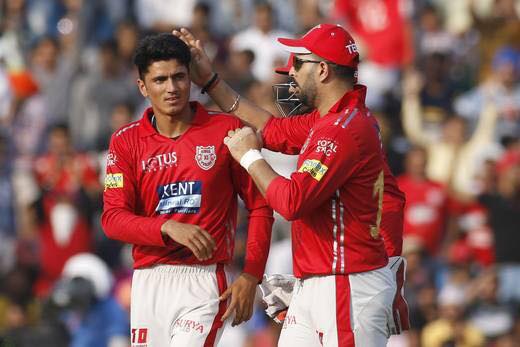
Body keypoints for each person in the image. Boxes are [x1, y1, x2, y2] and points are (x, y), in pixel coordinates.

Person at [175, 24, 407, 346]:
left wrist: (249, 158)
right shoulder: (335, 119)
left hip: (346, 285)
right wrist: (211, 82)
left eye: (299, 63)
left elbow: (292, 202)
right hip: (323, 282)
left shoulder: (340, 131)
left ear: (323, 70)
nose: (291, 71)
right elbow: (272, 128)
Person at [101, 33, 274, 347]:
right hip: (148, 280)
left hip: (204, 279)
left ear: (191, 79)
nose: (171, 88)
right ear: (143, 86)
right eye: (160, 79)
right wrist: (167, 227)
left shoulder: (226, 130)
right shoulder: (125, 141)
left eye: (179, 77)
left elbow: (261, 206)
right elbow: (112, 219)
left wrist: (251, 275)